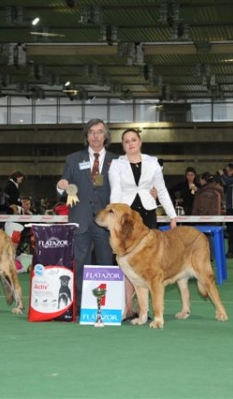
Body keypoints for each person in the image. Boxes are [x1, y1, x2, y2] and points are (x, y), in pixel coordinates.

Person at [108, 128, 178, 321]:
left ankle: (144, 310)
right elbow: (115, 192)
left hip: (147, 214)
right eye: (126, 141)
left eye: (133, 140)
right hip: (126, 218)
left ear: (140, 142)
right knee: (127, 263)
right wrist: (115, 218)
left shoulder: (153, 162)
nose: (130, 144)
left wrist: (172, 216)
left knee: (149, 264)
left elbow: (162, 190)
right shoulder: (116, 165)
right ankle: (128, 308)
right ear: (123, 146)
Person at [56, 118, 118, 308]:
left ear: (105, 135)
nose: (95, 136)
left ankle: (106, 306)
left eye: (99, 131)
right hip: (80, 219)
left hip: (106, 222)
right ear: (86, 136)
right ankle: (81, 306)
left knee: (107, 263)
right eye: (91, 132)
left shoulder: (116, 160)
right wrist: (61, 186)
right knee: (80, 265)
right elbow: (63, 184)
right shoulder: (74, 159)